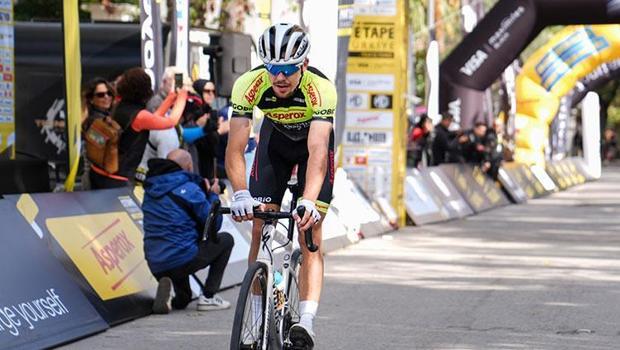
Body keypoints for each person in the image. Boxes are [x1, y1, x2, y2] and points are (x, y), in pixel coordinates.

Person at [225, 23, 336, 349]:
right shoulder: (248, 84)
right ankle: (258, 321)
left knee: (309, 233)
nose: (280, 77)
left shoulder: (321, 89)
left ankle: (306, 321)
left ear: (303, 63)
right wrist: (240, 192)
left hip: (312, 150)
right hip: (275, 146)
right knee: (259, 228)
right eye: (273, 68)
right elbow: (235, 148)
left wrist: (310, 201)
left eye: (288, 69)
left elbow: (317, 151)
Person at [142, 149, 234, 314]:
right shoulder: (188, 188)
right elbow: (213, 224)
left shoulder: (150, 189)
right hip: (182, 256)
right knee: (226, 240)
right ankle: (208, 296)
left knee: (183, 300)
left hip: (156, 262)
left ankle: (170, 291)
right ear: (189, 167)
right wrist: (213, 196)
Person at [89, 67, 188, 189]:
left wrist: (171, 97)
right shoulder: (139, 115)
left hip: (100, 171)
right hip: (117, 179)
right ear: (145, 90)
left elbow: (153, 118)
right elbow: (171, 122)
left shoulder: (120, 106)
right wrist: (182, 98)